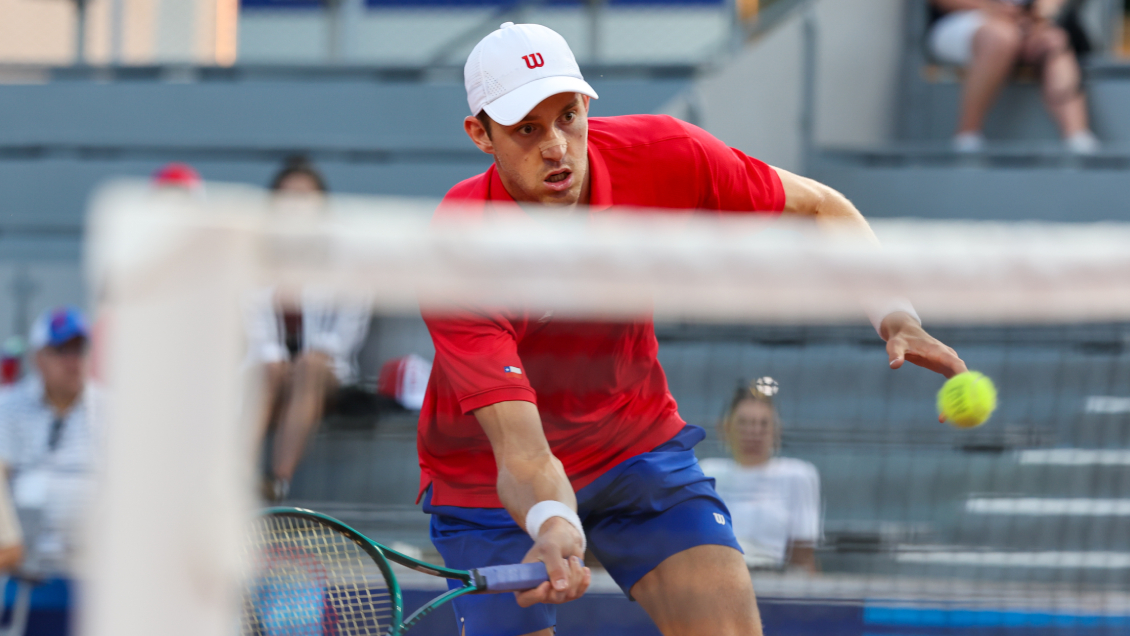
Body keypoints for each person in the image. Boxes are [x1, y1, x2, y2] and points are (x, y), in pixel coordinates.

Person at [418, 22, 967, 636]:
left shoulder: (664, 155)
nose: (556, 147)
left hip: (631, 442)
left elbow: (819, 206)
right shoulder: (459, 252)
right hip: (488, 483)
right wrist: (552, 520)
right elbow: (522, 454)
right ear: (480, 135)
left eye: (568, 117)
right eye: (527, 129)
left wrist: (896, 313)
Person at [249, 156, 370, 501]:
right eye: (288, 199)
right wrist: (274, 360)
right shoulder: (256, 256)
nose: (297, 209)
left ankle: (278, 481)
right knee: (269, 368)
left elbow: (347, 332)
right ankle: (235, 479)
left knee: (310, 364)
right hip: (266, 371)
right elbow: (254, 328)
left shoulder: (344, 259)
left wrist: (307, 358)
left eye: (305, 199)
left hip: (324, 371)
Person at [0, 307, 99, 576]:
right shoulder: (9, 408)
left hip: (93, 574)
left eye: (79, 350)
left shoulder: (111, 411)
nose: (73, 361)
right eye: (62, 351)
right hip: (24, 573)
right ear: (38, 358)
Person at [927, 0, 1099, 153]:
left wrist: (1039, 13)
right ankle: (966, 137)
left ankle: (1078, 140)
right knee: (1002, 37)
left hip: (1023, 24)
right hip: (965, 19)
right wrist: (990, 8)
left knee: (1055, 40)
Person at [700, 379, 820, 573]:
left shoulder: (798, 475)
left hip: (774, 582)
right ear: (724, 428)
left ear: (776, 431)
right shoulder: (706, 474)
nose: (754, 432)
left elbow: (803, 557)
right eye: (744, 423)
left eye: (763, 424)